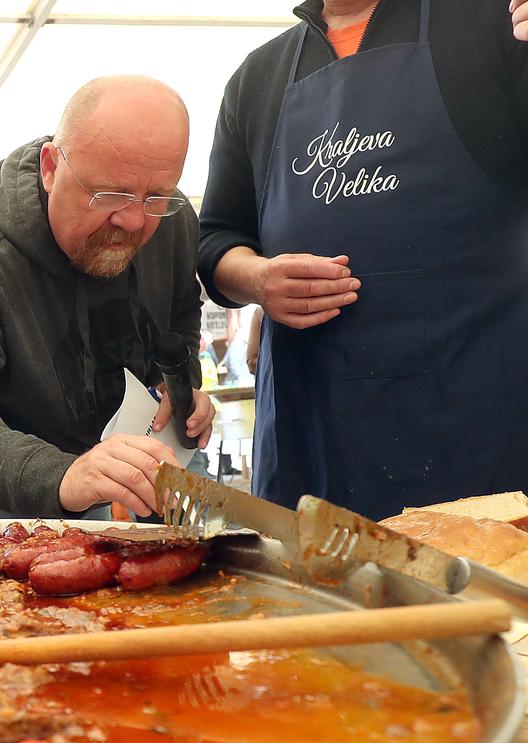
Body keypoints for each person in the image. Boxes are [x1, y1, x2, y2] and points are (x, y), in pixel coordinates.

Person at [197, 0, 528, 522]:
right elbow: (216, 240)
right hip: (309, 448)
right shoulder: (257, 77)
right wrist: (259, 280)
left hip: (475, 442)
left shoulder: (492, 23)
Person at [0, 76, 213, 521]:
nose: (131, 220)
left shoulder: (172, 221)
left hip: (104, 451)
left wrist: (179, 384)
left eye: (155, 196)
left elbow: (180, 317)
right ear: (50, 168)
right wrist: (62, 476)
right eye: (109, 194)